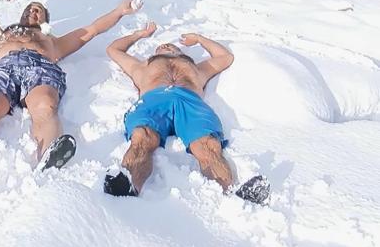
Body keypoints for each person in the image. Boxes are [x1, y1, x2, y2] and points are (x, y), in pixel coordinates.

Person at [0, 0, 143, 171]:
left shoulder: (53, 41)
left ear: (45, 20)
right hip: (4, 67)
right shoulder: (1, 35)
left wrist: (119, 11)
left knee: (45, 105)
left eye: (38, 10)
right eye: (30, 8)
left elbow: (92, 29)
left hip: (40, 67)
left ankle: (49, 155)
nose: (32, 11)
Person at [103, 23, 269, 204]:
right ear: (154, 54)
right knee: (142, 137)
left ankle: (232, 193)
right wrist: (139, 34)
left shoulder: (197, 68)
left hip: (190, 101)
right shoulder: (142, 67)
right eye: (161, 47)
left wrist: (199, 38)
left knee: (207, 145)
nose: (166, 46)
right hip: (154, 100)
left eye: (171, 46)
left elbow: (225, 57)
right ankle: (128, 185)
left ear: (180, 53)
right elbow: (113, 49)